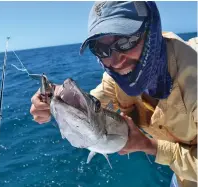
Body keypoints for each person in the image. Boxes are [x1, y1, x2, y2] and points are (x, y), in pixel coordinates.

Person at [30, 1, 197, 187]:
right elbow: (92, 105)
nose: (116, 61)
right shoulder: (119, 78)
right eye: (101, 49)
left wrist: (149, 145)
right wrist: (53, 97)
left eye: (125, 41)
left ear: (151, 31)